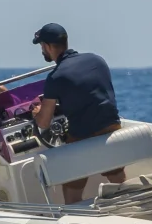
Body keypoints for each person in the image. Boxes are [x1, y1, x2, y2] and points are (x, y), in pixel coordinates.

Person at [29, 22, 125, 204]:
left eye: (42, 46)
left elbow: (44, 123)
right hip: (112, 129)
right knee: (116, 173)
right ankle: (127, 201)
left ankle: (73, 214)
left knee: (71, 186)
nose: (42, 50)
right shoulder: (97, 60)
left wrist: (36, 112)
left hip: (84, 137)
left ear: (48, 46)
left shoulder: (55, 77)